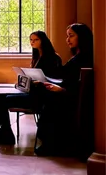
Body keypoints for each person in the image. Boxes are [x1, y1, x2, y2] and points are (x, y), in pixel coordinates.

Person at [0, 31, 62, 127]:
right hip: (33, 90)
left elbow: (54, 78)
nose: (32, 42)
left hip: (40, 96)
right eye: (31, 40)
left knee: (4, 99)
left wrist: (36, 82)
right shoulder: (37, 56)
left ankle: (3, 130)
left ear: (43, 40)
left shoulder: (53, 58)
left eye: (36, 40)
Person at [34, 23, 94, 156]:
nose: (68, 40)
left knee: (49, 99)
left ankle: (51, 144)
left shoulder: (85, 58)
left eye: (71, 36)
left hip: (72, 97)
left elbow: (79, 84)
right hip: (65, 90)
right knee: (42, 90)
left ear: (82, 37)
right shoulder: (77, 56)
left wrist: (62, 90)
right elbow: (64, 75)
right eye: (67, 36)